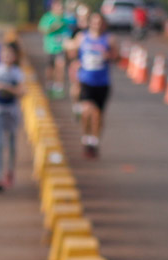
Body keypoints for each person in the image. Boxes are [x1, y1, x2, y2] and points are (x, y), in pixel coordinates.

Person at [72, 12, 116, 158]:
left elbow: (118, 57)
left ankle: (94, 141)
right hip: (86, 80)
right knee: (87, 111)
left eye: (100, 22)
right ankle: (85, 137)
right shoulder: (82, 38)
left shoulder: (109, 39)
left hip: (102, 82)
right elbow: (72, 55)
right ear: (90, 22)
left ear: (103, 24)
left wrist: (108, 56)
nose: (97, 24)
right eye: (94, 21)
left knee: (98, 115)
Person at [0, 43, 24, 192]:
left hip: (12, 109)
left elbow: (22, 92)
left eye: (10, 55)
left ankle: (10, 170)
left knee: (12, 144)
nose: (7, 57)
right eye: (4, 54)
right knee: (0, 144)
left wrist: (4, 87)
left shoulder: (17, 73)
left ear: (14, 57)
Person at [39, 1, 73, 98]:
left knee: (60, 66)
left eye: (61, 6)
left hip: (62, 47)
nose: (60, 7)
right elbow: (43, 30)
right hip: (50, 47)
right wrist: (55, 26)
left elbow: (72, 28)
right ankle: (49, 85)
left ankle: (59, 88)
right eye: (58, 5)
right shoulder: (47, 17)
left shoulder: (66, 18)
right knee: (50, 68)